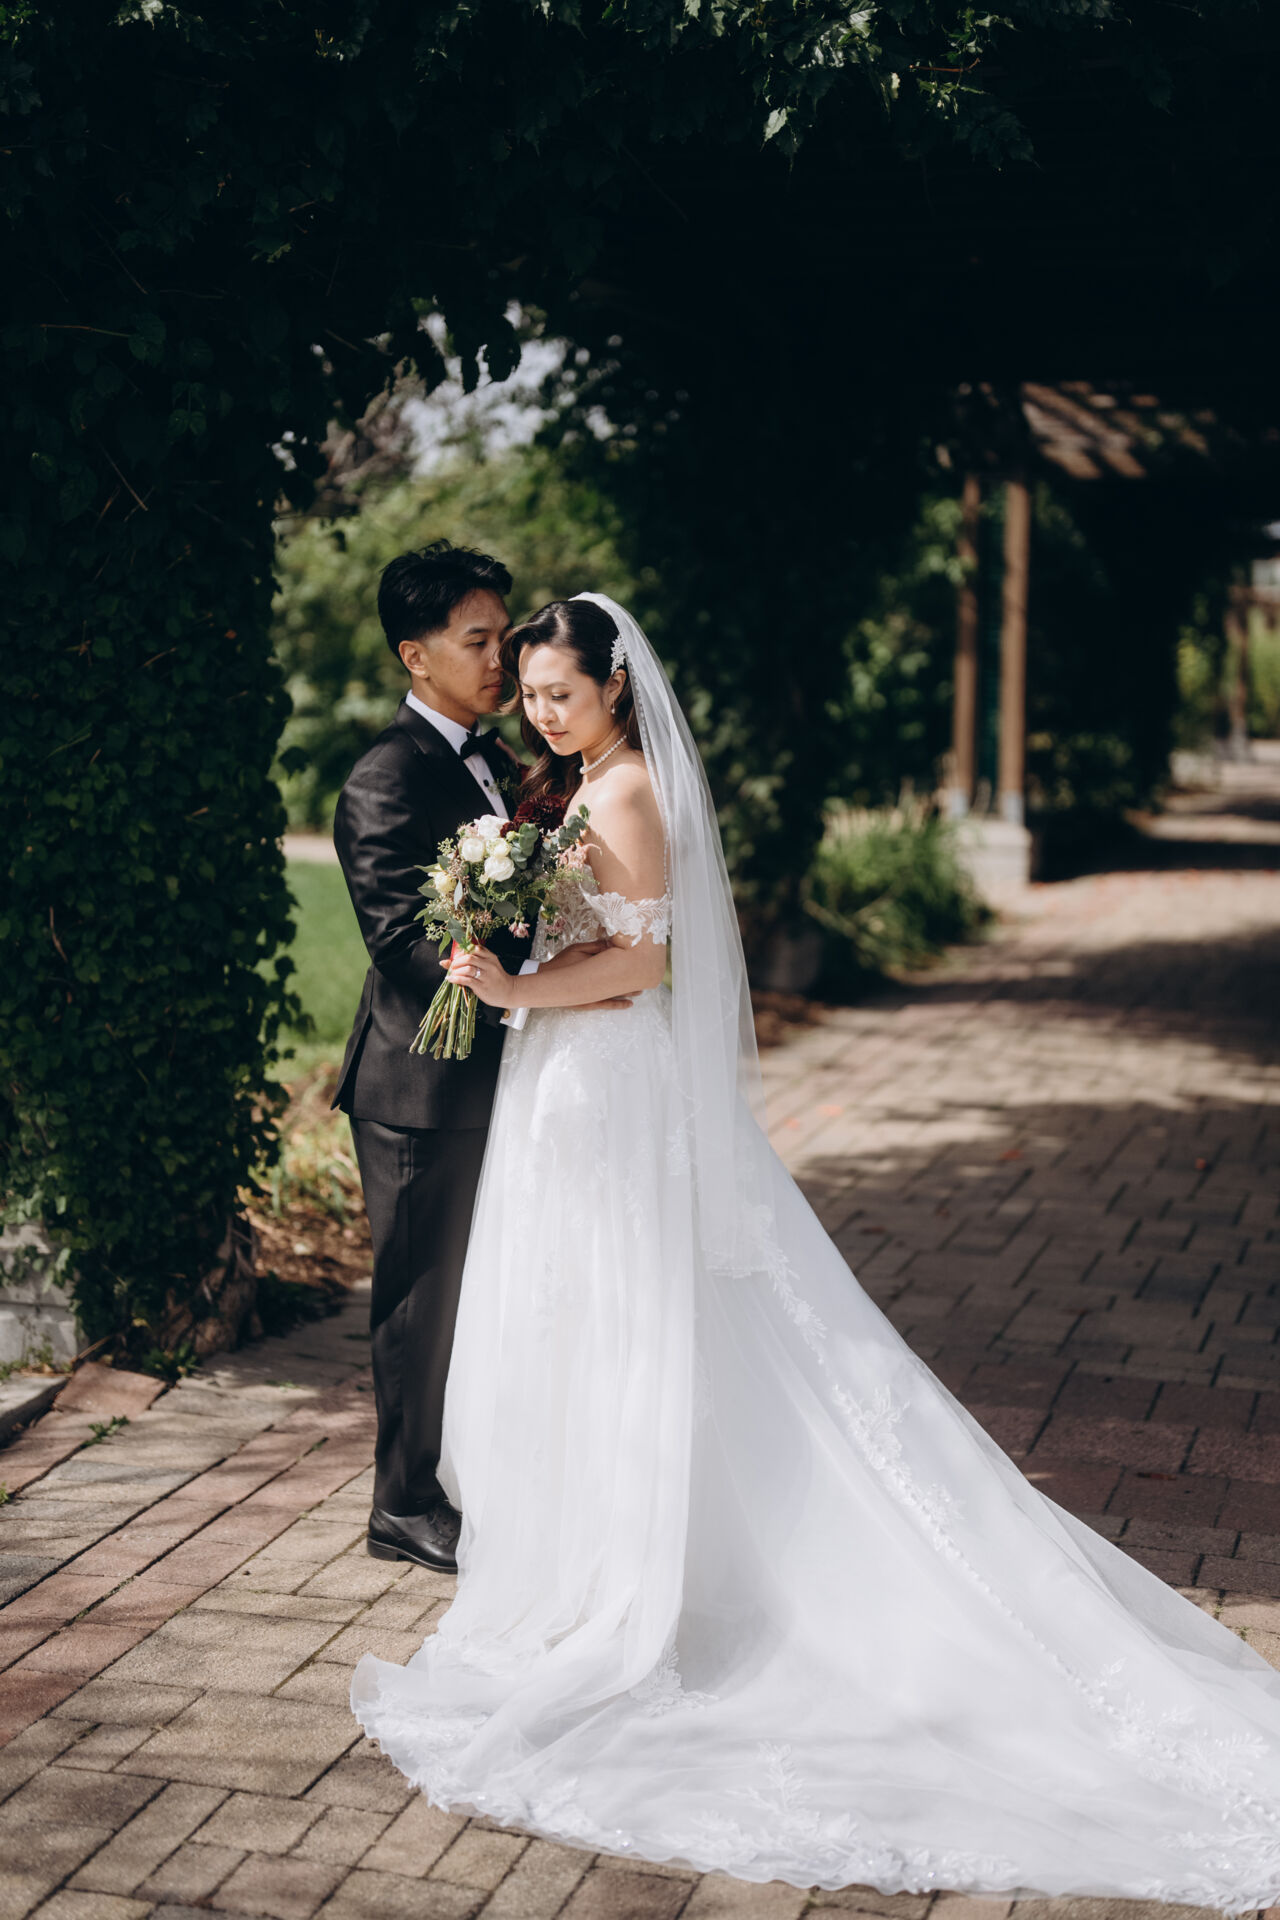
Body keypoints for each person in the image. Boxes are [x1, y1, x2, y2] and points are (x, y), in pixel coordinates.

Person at [351, 592, 1280, 1909]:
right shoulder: (584, 782)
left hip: (601, 1071)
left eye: (560, 693)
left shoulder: (625, 793)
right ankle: (584, 1550)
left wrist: (508, 986)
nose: (539, 711)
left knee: (623, 1311)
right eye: (533, 693)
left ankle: (636, 1576)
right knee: (580, 1314)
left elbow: (633, 971)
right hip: (568, 1078)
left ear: (615, 688)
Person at [332, 547, 627, 1576]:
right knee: (421, 1296)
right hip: (420, 1082)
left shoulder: (502, 759)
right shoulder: (385, 774)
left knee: (489, 1284)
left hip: (506, 1063)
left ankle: (473, 1477)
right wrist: (514, 994)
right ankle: (402, 1504)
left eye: (504, 635)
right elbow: (397, 941)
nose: (501, 657)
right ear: (416, 656)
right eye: (478, 640)